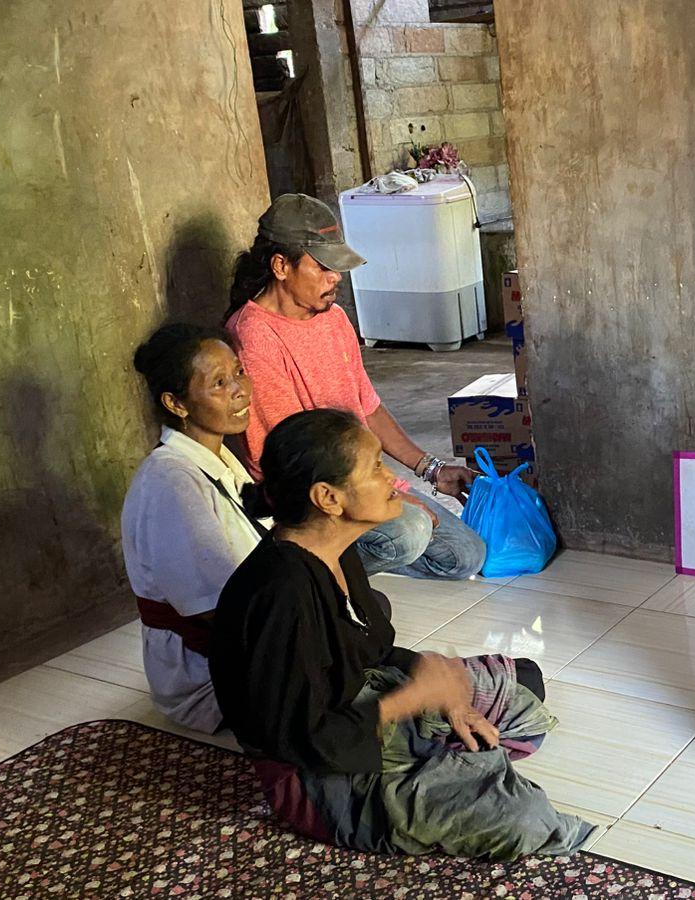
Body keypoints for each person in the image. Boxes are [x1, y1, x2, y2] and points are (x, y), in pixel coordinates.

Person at [209, 408, 589, 858]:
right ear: (328, 498)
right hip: (316, 774)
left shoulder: (337, 549)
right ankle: (442, 761)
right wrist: (411, 700)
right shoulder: (281, 594)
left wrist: (445, 694)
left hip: (362, 704)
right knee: (527, 820)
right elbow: (306, 740)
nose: (390, 478)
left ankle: (444, 750)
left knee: (523, 683)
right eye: (374, 466)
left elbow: (375, 651)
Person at [224, 193, 485, 581]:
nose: (336, 277)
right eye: (324, 268)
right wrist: (395, 498)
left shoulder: (333, 319)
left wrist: (430, 470)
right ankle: (306, 572)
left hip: (358, 476)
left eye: (338, 268)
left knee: (465, 556)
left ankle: (350, 552)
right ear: (281, 266)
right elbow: (292, 463)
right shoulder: (255, 338)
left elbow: (369, 407)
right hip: (312, 495)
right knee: (408, 533)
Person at [120, 323, 263, 733]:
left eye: (238, 372)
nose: (241, 389)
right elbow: (215, 611)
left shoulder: (216, 457)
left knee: (366, 613)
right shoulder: (170, 481)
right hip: (204, 680)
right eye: (220, 383)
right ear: (176, 403)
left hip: (242, 631)